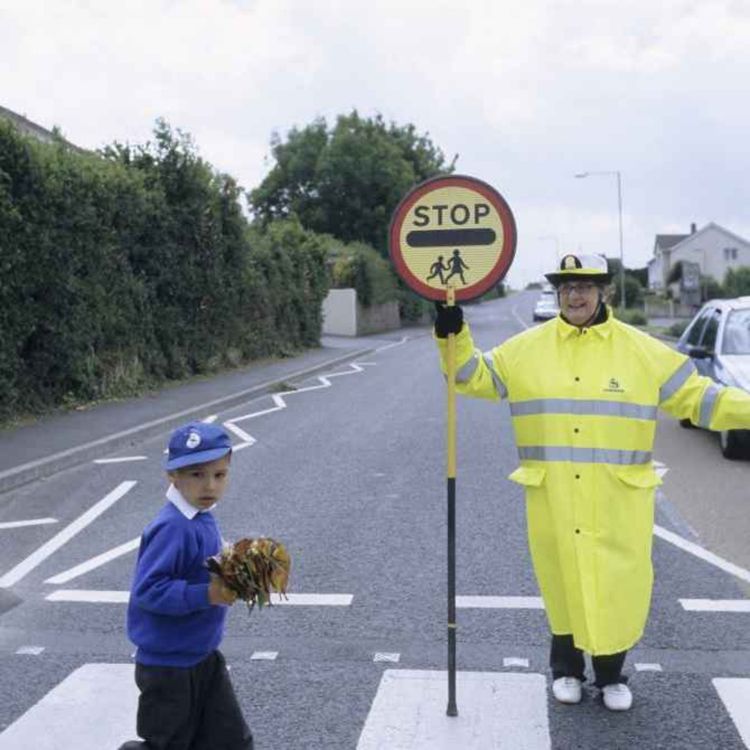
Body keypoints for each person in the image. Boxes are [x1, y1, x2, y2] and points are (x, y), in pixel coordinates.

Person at [434, 253, 750, 711]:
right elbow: (469, 376)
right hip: (553, 497)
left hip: (618, 499)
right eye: (565, 288)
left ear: (605, 292)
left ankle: (611, 675)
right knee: (561, 585)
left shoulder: (642, 350)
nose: (574, 295)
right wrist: (453, 335)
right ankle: (565, 671)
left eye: (584, 287)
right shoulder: (528, 348)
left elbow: (703, 400)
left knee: (616, 589)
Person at [119, 421, 253, 749]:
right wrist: (208, 593)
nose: (209, 486)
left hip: (202, 654)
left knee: (231, 740)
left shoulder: (200, 515)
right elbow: (149, 590)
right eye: (196, 475)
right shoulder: (172, 527)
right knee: (168, 743)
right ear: (172, 476)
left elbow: (203, 564)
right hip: (168, 665)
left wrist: (234, 566)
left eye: (219, 475)